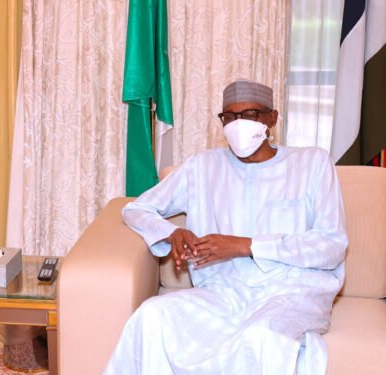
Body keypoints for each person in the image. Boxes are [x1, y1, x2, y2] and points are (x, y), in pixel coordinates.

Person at [104, 79, 347, 374]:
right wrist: (172, 232)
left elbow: (331, 246)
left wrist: (246, 245)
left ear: (272, 118)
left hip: (292, 291)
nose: (237, 124)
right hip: (223, 293)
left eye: (250, 114)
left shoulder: (311, 164)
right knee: (151, 316)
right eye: (229, 117)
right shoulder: (203, 167)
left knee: (260, 338)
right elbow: (137, 208)